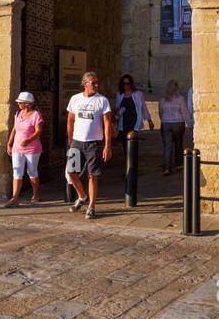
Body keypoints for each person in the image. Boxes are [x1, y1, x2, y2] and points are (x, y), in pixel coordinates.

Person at [65, 71, 112, 220]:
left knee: (92, 175)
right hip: (77, 142)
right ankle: (82, 196)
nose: (96, 85)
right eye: (93, 83)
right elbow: (70, 120)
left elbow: (107, 123)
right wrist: (70, 139)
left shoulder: (102, 100)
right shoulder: (75, 99)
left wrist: (107, 145)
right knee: (71, 173)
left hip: (94, 143)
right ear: (85, 84)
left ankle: (91, 206)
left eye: (97, 83)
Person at [5, 91, 43, 206]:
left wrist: (28, 140)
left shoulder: (36, 115)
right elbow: (14, 129)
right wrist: (9, 143)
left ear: (27, 103)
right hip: (17, 148)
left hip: (32, 149)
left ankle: (35, 195)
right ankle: (15, 198)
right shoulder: (18, 114)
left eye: (20, 102)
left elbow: (38, 131)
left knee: (32, 171)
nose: (18, 104)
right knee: (17, 172)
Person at [159, 79, 192, 176]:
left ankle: (167, 167)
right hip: (178, 123)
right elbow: (185, 112)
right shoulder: (180, 99)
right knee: (178, 144)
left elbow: (160, 113)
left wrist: (164, 120)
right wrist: (189, 124)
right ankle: (178, 164)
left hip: (165, 123)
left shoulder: (162, 100)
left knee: (167, 146)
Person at [115, 74, 154, 138]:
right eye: (124, 83)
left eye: (128, 83)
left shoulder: (138, 94)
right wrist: (116, 118)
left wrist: (149, 120)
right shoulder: (119, 94)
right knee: (124, 144)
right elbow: (117, 108)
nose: (126, 85)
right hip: (123, 123)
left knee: (132, 144)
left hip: (134, 123)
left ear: (131, 84)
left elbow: (144, 107)